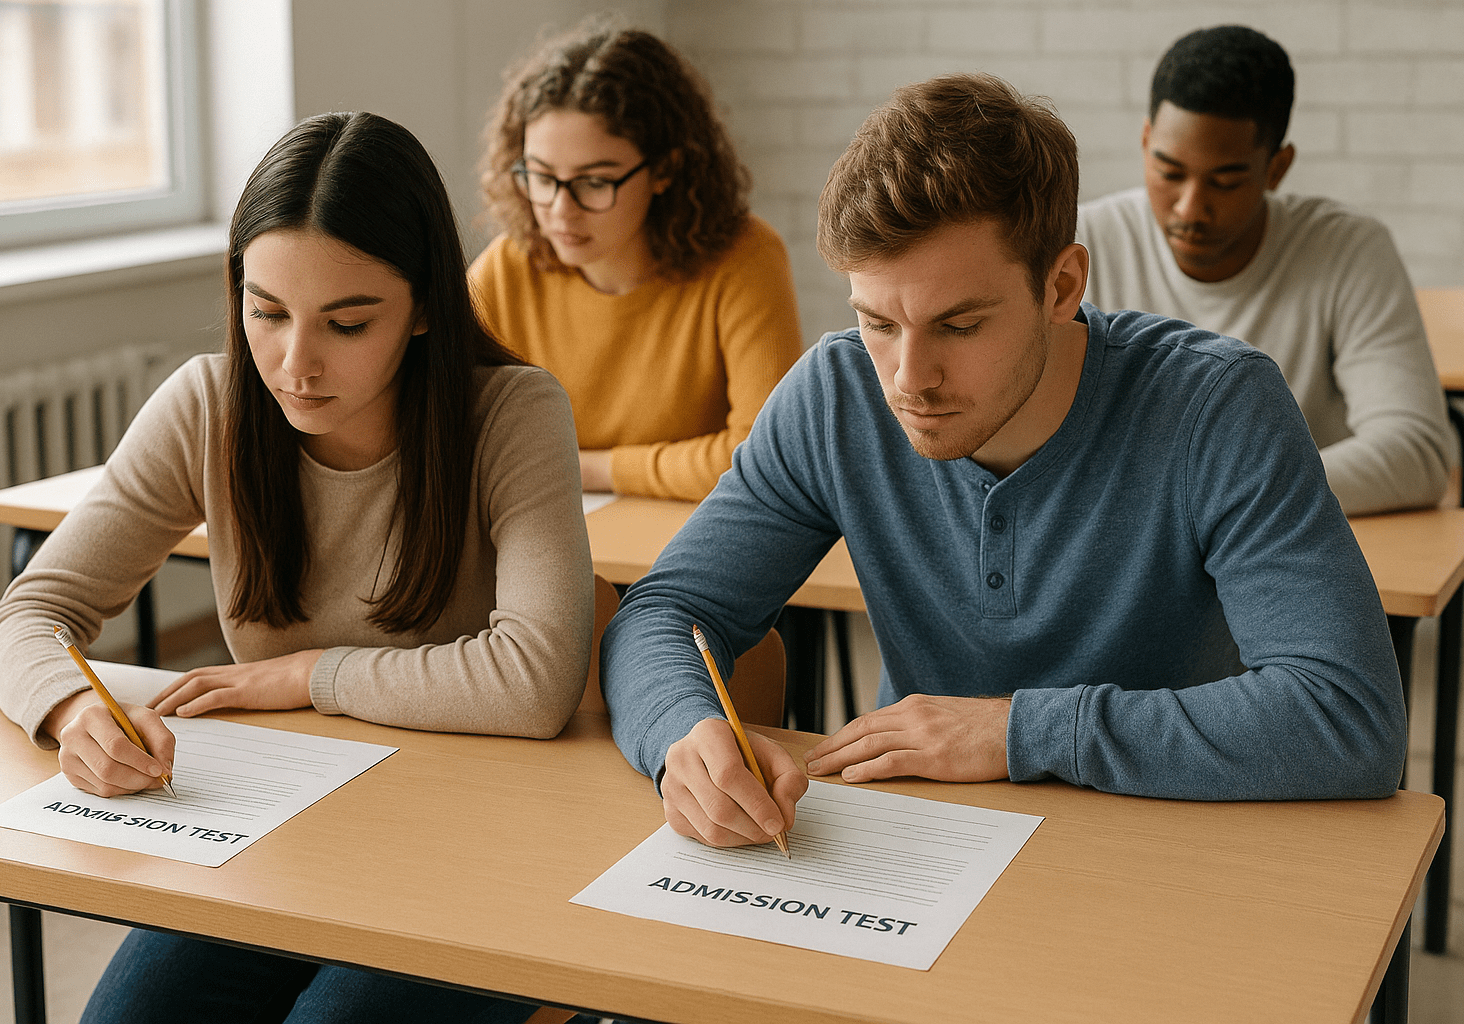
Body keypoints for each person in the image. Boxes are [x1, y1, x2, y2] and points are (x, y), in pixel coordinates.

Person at [600, 72, 1407, 853]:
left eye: (958, 326)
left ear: (1061, 287)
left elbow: (1345, 716)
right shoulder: (835, 394)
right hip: (916, 849)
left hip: (1171, 843)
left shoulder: (1219, 405)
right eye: (878, 322)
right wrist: (682, 733)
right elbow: (667, 614)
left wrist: (1019, 729)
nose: (907, 380)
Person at [0, 111, 593, 1023]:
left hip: (475, 849)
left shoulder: (512, 413)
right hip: (276, 828)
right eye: (265, 312)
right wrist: (77, 706)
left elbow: (533, 680)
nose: (294, 364)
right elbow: (29, 610)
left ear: (426, 305)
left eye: (347, 324)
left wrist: (308, 676)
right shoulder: (208, 401)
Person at [1077, 24, 1453, 517]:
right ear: (1146, 142)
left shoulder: (1348, 250)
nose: (1190, 208)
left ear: (1276, 168)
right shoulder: (1086, 241)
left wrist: (1216, 501)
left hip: (1287, 554)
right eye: (1169, 172)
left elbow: (1418, 454)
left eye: (1225, 182)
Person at [469, 20, 803, 501]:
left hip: (693, 544)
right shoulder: (507, 269)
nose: (559, 211)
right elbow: (443, 430)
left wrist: (589, 469)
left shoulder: (746, 259)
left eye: (594, 182)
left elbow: (766, 458)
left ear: (664, 168)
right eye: (540, 177)